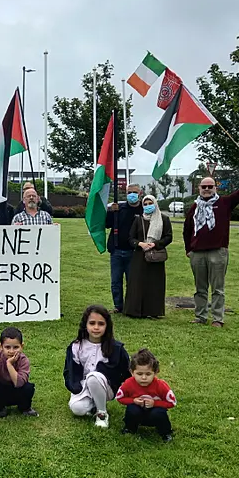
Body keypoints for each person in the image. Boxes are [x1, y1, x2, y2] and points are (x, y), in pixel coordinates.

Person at [183, 159, 239, 327]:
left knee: (217, 289)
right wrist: (188, 249)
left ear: (215, 188)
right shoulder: (194, 207)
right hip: (197, 253)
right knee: (200, 288)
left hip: (217, 252)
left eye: (210, 186)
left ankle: (218, 318)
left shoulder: (224, 203)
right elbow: (187, 229)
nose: (207, 189)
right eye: (204, 187)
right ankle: (200, 316)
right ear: (199, 189)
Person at [63, 305, 131, 429]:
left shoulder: (115, 348)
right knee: (77, 409)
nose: (96, 327)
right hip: (84, 385)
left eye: (101, 324)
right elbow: (69, 370)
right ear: (85, 325)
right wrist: (75, 386)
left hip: (107, 386)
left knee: (93, 376)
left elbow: (126, 371)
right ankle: (94, 403)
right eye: (92, 323)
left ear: (107, 326)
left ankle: (102, 413)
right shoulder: (77, 346)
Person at [124, 195, 173, 318]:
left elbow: (168, 237)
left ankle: (153, 311)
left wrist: (155, 244)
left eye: (150, 203)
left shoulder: (164, 219)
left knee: (154, 283)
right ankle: (135, 311)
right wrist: (140, 244)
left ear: (155, 204)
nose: (147, 206)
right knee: (137, 283)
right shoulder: (139, 220)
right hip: (139, 255)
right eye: (145, 204)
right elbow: (131, 237)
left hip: (155, 255)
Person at [116, 348, 176, 442]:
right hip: (138, 412)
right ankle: (130, 429)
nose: (144, 378)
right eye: (139, 374)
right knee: (132, 409)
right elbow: (119, 398)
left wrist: (155, 403)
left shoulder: (161, 385)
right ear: (132, 372)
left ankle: (166, 433)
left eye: (148, 374)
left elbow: (172, 402)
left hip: (154, 413)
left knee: (159, 413)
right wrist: (133, 401)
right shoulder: (128, 384)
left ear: (155, 372)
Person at [105, 183, 144, 314]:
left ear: (140, 193)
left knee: (132, 280)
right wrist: (111, 212)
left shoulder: (143, 210)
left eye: (134, 192)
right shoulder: (119, 208)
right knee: (116, 281)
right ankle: (118, 306)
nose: (131, 195)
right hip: (116, 250)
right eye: (129, 192)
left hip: (134, 251)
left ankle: (130, 305)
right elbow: (106, 224)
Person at [0, 326, 38, 418]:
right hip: (1, 391)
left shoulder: (23, 360)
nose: (11, 351)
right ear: (1, 346)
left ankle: (24, 408)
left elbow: (19, 383)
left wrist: (9, 364)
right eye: (7, 347)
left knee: (28, 388)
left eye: (16, 347)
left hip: (17, 390)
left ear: (22, 346)